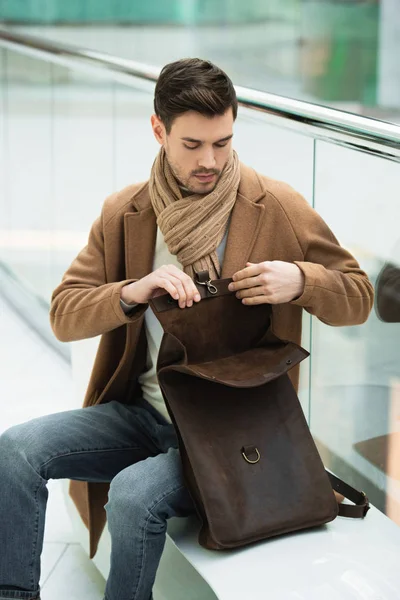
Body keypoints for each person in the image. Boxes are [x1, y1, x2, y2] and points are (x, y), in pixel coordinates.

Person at [0, 58, 374, 600]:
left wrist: (301, 280)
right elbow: (63, 312)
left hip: (233, 432)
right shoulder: (125, 214)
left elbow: (359, 297)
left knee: (132, 494)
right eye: (193, 145)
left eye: (222, 142)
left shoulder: (276, 207)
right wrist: (132, 292)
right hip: (143, 414)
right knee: (14, 451)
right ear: (159, 130)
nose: (211, 161)